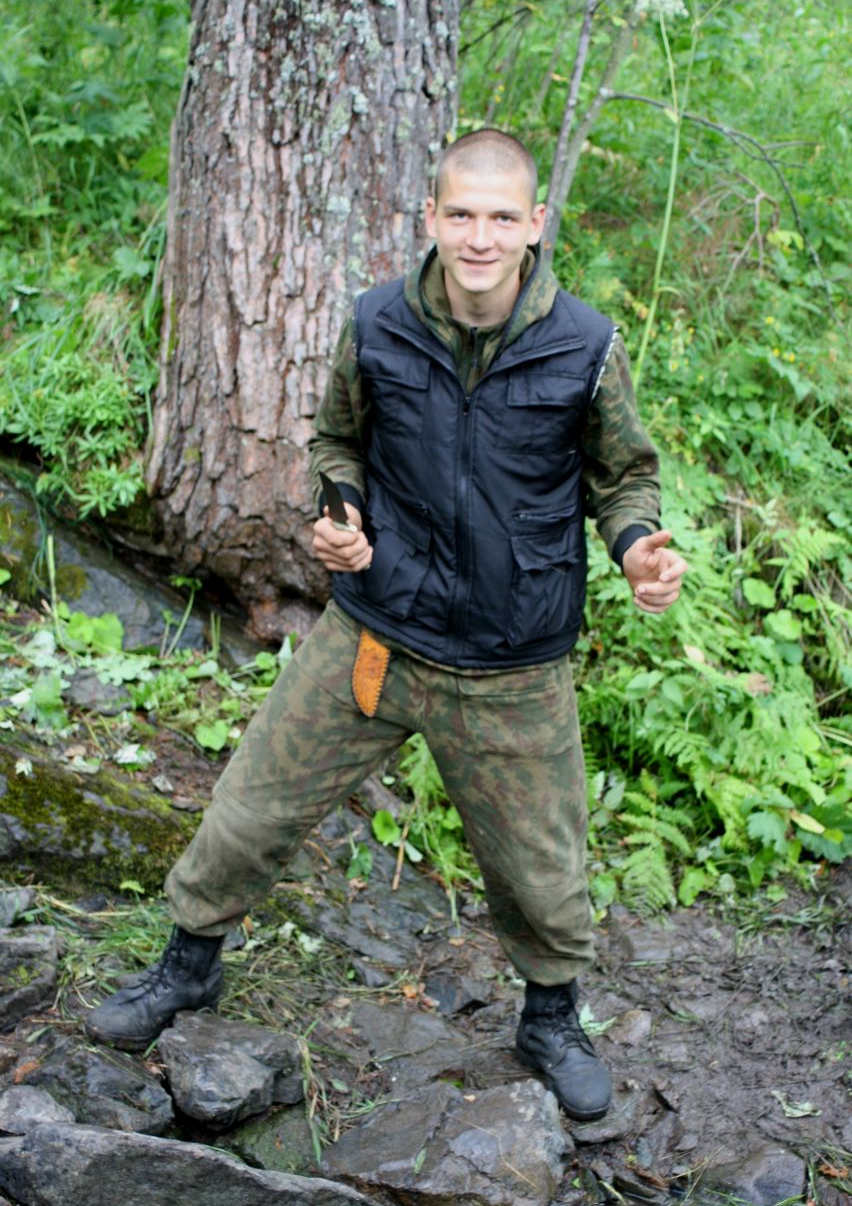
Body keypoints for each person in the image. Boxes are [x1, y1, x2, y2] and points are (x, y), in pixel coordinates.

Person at [86, 129, 687, 1123]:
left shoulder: (587, 345)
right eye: (463, 214)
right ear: (431, 217)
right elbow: (338, 441)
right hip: (376, 631)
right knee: (249, 809)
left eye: (502, 216)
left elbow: (624, 476)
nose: (481, 237)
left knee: (543, 874)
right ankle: (188, 964)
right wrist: (341, 512)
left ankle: (550, 1019)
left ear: (535, 223)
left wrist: (634, 550)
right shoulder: (376, 324)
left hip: (511, 659)